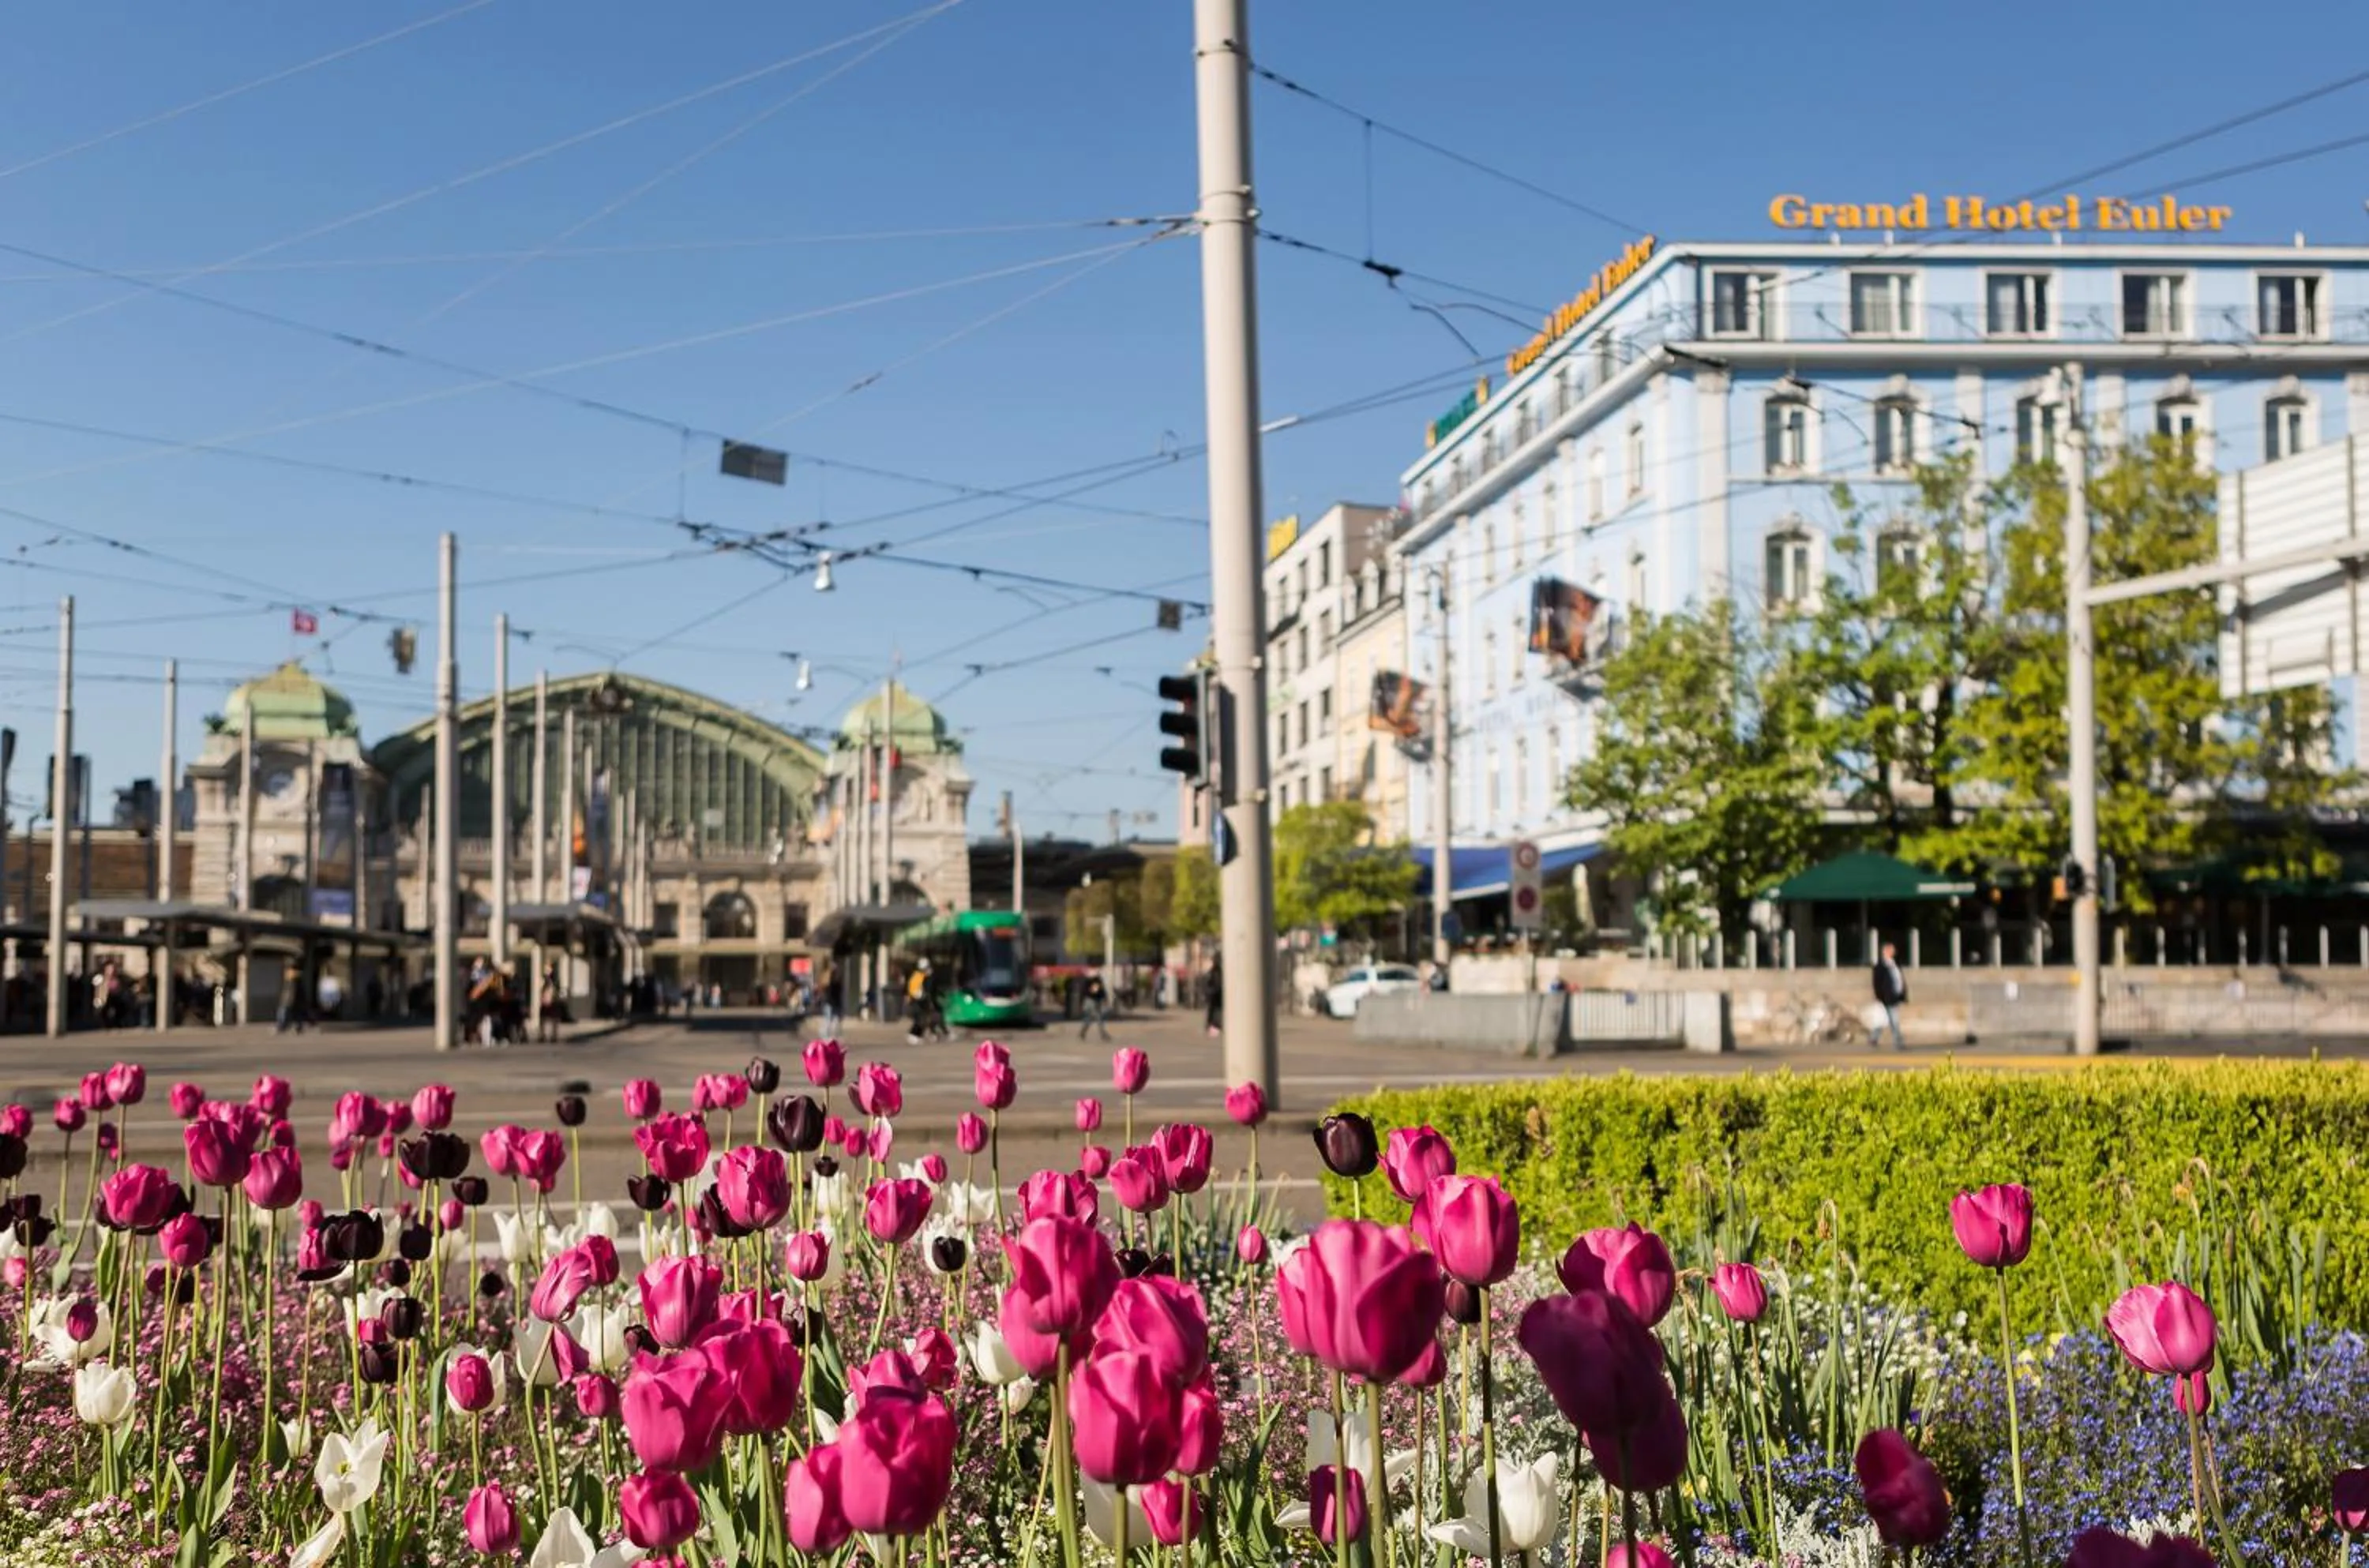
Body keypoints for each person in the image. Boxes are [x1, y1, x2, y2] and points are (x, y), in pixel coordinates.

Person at [1871, 940, 1909, 1051]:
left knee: (1884, 1020)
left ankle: (1873, 1038)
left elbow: (1899, 980)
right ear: (1885, 951)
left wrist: (1903, 994)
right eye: (1891, 950)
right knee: (1894, 1020)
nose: (1893, 952)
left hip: (1895, 996)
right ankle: (1898, 1042)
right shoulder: (1880, 966)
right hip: (1887, 998)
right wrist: (1879, 996)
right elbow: (1876, 983)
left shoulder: (1894, 964)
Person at [1079, 971, 1111, 1042]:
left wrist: (1081, 1003)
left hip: (1090, 1002)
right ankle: (1103, 1034)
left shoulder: (1090, 981)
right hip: (1092, 1002)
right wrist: (1104, 999)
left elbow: (1101, 991)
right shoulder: (1093, 981)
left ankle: (1082, 1033)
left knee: (1088, 1019)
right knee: (1098, 1018)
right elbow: (1096, 992)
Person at [276, 957, 306, 1034]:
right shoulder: (295, 975)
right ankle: (296, 1027)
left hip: (290, 998)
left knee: (284, 1012)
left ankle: (283, 1026)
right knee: (292, 1013)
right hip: (291, 998)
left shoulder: (292, 974)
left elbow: (289, 987)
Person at [1203, 956, 1222, 1038]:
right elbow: (1209, 983)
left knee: (1214, 1011)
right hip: (1215, 994)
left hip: (1215, 994)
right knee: (1215, 1012)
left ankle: (1213, 1027)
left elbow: (1208, 983)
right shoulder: (1216, 972)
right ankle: (1214, 1027)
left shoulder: (1213, 972)